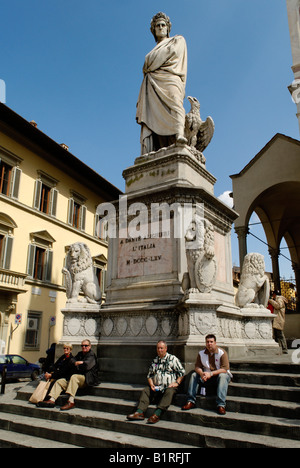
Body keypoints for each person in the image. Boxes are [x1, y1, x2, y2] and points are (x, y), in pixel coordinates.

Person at [136, 12, 188, 155]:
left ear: (167, 28)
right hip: (152, 86)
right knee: (152, 116)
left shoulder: (177, 40)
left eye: (163, 25)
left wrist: (153, 63)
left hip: (171, 78)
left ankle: (179, 136)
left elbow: (172, 54)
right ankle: (155, 149)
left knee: (175, 103)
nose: (160, 27)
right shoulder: (152, 52)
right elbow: (150, 64)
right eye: (157, 26)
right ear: (153, 30)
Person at [127, 340, 185, 424]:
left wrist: (177, 382)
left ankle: (157, 414)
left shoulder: (172, 359)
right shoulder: (155, 361)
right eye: (158, 348)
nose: (159, 350)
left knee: (170, 391)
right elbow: (150, 375)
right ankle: (139, 412)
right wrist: (151, 384)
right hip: (157, 387)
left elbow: (182, 372)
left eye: (161, 348)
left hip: (169, 387)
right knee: (146, 390)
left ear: (166, 348)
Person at [38, 339, 99, 411]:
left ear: (90, 346)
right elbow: (72, 361)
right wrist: (78, 363)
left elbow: (86, 366)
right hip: (76, 378)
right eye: (82, 345)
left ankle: (71, 401)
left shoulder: (92, 355)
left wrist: (80, 363)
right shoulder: (79, 354)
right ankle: (52, 400)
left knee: (74, 377)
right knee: (60, 381)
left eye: (86, 345)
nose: (84, 347)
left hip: (86, 378)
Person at [182, 334, 231, 415]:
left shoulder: (222, 353)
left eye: (211, 342)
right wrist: (201, 374)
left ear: (215, 342)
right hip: (206, 376)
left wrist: (211, 374)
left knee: (223, 376)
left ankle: (221, 405)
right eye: (207, 342)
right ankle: (190, 401)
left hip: (220, 375)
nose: (209, 344)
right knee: (194, 375)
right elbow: (197, 367)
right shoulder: (201, 353)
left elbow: (225, 369)